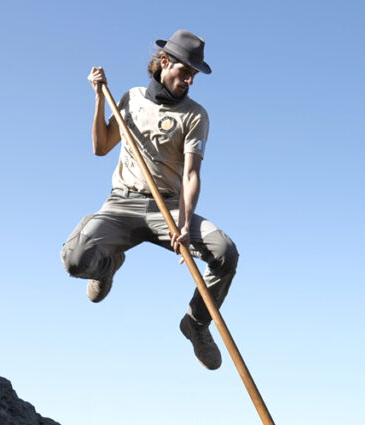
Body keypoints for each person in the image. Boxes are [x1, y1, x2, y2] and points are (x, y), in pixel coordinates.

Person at [61, 29, 239, 370]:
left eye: (193, 75)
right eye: (185, 71)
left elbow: (191, 175)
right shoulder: (130, 99)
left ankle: (196, 324)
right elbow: (100, 148)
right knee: (75, 260)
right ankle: (107, 266)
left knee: (225, 253)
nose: (189, 80)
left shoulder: (195, 115)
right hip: (122, 203)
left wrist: (185, 223)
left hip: (170, 208)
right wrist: (99, 97)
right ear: (164, 62)